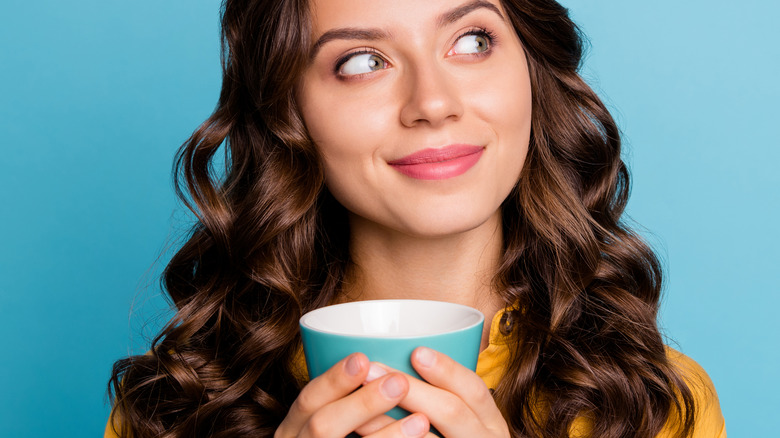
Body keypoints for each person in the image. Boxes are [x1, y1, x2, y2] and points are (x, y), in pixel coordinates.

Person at [106, 0, 726, 437]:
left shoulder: (656, 406)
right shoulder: (175, 407)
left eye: (472, 41)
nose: (432, 103)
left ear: (532, 70)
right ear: (287, 109)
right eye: (362, 61)